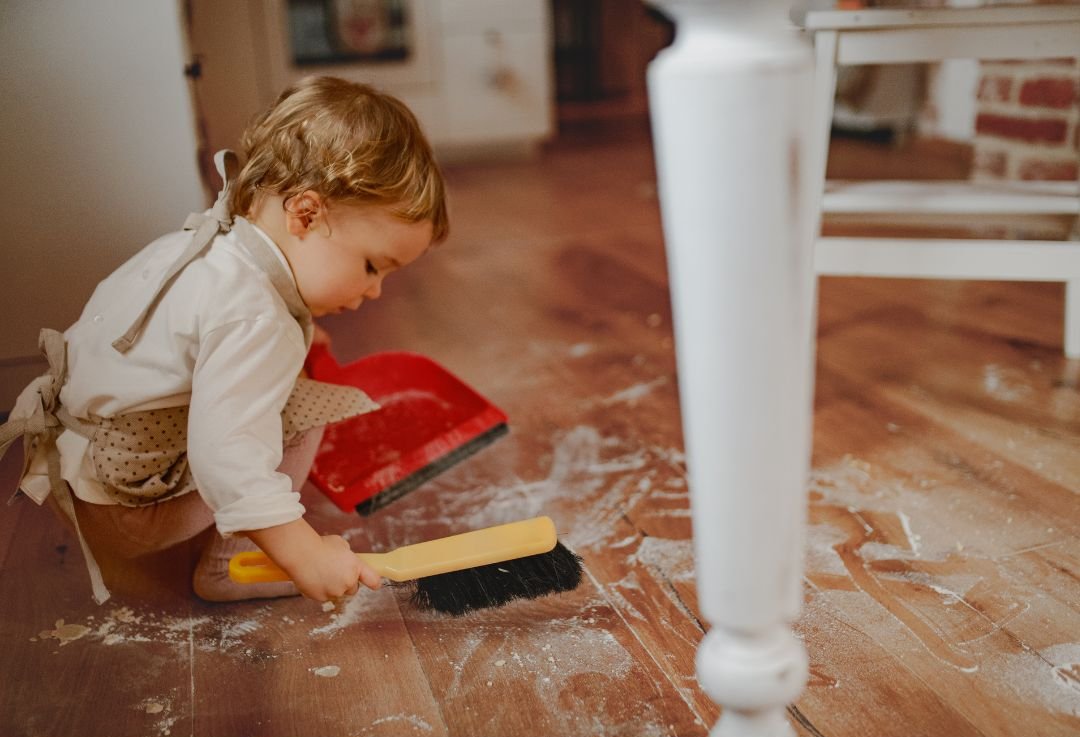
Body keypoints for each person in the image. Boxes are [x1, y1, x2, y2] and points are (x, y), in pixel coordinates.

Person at [0, 76, 449, 605]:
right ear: (305, 214)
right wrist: (305, 554)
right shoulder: (258, 319)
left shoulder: (208, 242)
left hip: (73, 471)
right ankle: (225, 568)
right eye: (372, 266)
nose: (375, 290)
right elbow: (228, 459)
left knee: (272, 383)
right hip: (125, 512)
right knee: (304, 412)